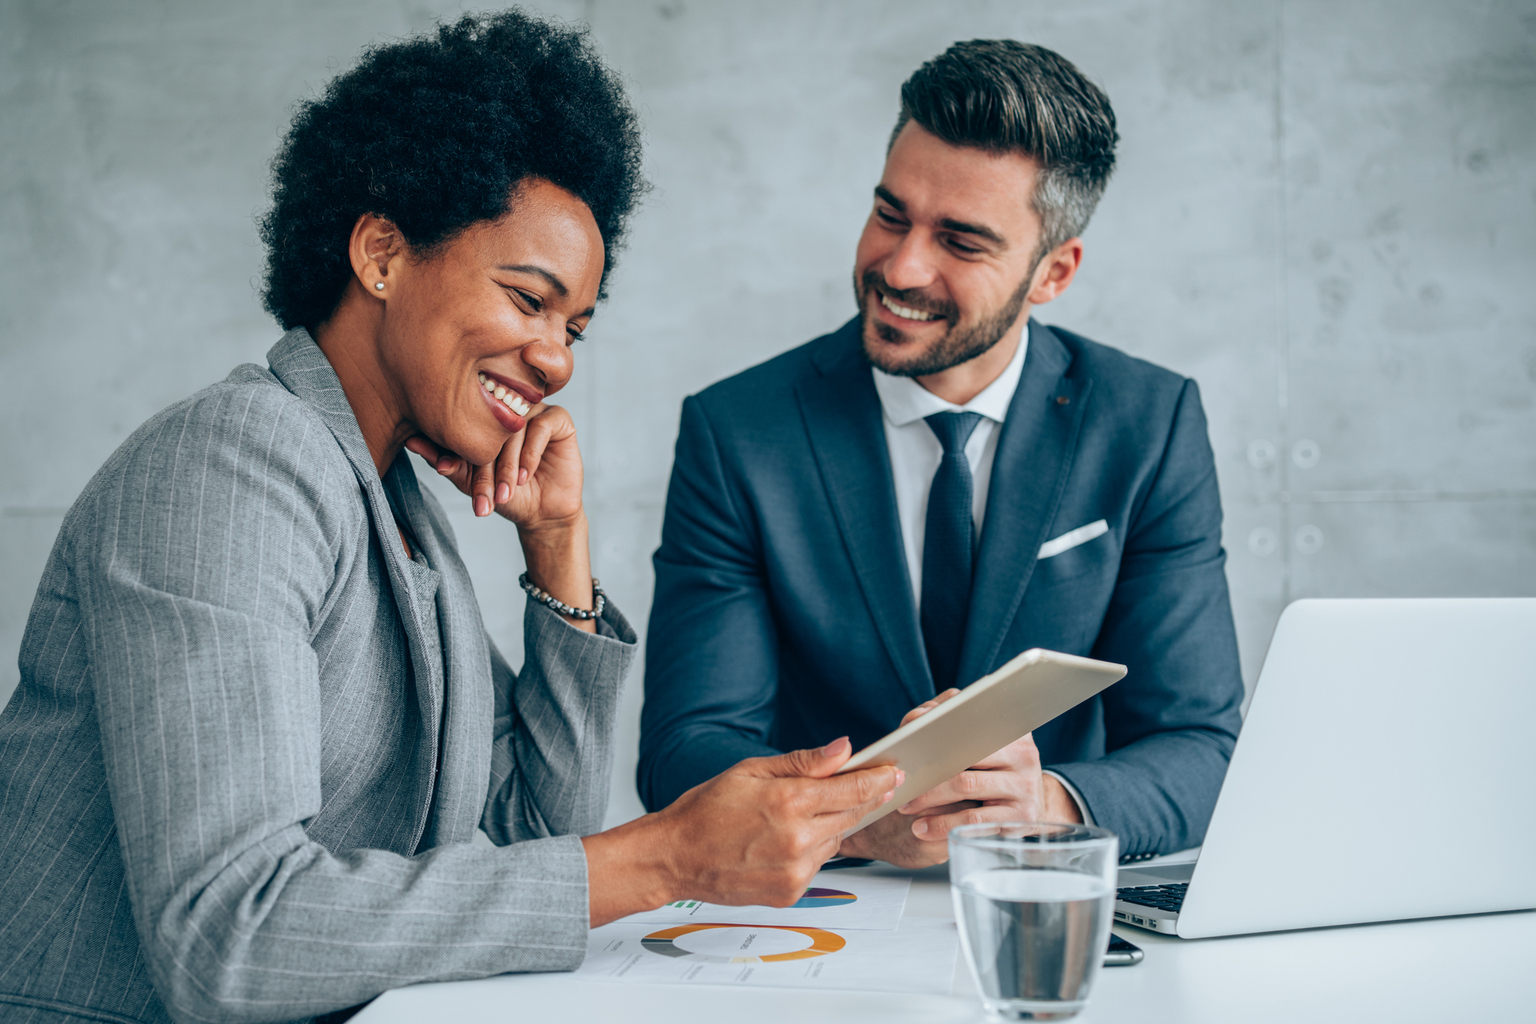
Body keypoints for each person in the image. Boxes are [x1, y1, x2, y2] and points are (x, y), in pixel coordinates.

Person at [0, 14, 898, 1024]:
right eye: (529, 299)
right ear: (383, 254)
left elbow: (530, 834)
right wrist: (672, 852)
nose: (557, 359)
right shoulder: (231, 466)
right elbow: (231, 933)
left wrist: (556, 550)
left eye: (574, 327)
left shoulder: (395, 507)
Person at [640, 39, 1244, 868]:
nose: (901, 265)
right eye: (891, 214)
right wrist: (858, 819)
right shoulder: (738, 432)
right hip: (815, 922)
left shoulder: (1150, 423)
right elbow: (686, 749)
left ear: (1052, 273)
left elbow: (1202, 746)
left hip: (1043, 902)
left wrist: (1048, 804)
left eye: (961, 242)